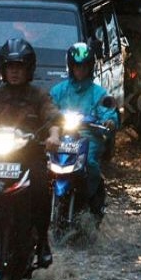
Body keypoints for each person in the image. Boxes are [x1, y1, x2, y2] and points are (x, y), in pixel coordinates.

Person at [0, 38, 58, 268]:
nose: (14, 72)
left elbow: (52, 115)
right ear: (3, 70)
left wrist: (54, 135)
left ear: (29, 69)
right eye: (10, 67)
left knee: (41, 188)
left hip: (29, 156)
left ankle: (43, 241)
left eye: (19, 67)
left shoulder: (38, 95)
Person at [49, 42, 118, 218]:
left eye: (84, 66)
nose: (80, 70)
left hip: (88, 137)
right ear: (71, 67)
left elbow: (108, 112)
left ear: (90, 67)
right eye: (76, 66)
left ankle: (92, 196)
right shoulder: (58, 90)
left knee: (90, 164)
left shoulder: (99, 93)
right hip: (61, 136)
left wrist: (109, 121)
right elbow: (49, 111)